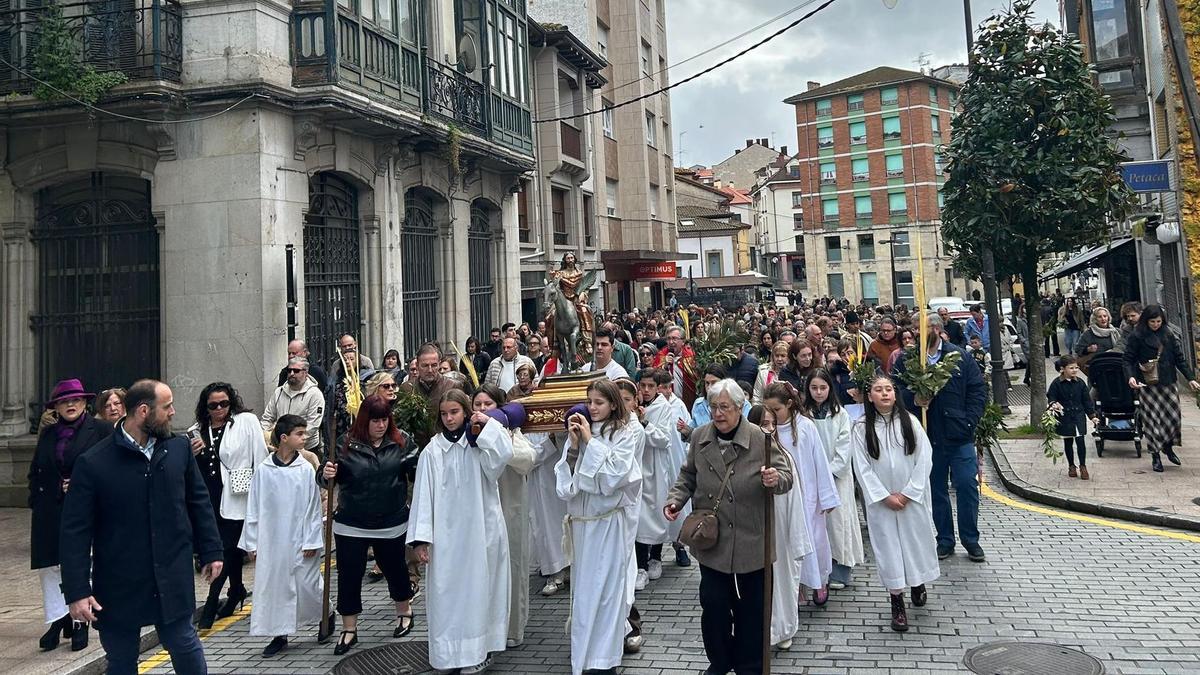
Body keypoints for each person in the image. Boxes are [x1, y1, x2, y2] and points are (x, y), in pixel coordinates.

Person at [60, 379, 223, 674]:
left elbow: (198, 502)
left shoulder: (178, 449)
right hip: (119, 584)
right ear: (144, 411)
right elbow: (75, 532)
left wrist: (212, 550)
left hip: (172, 576)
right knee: (121, 661)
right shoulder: (94, 463)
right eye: (167, 406)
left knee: (186, 647)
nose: (173, 412)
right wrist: (77, 591)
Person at [665, 379, 792, 675]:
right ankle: (720, 661)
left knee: (752, 609)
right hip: (713, 537)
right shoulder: (700, 436)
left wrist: (775, 479)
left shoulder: (760, 438)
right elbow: (688, 475)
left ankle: (749, 665)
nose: (718, 413)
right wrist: (675, 500)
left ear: (739, 407)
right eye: (714, 407)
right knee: (714, 604)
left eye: (724, 407)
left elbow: (786, 475)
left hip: (752, 537)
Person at [409, 389, 511, 674]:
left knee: (480, 591)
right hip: (446, 539)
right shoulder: (432, 451)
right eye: (444, 414)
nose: (449, 418)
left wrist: (488, 426)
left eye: (454, 412)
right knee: (447, 595)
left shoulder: (479, 444)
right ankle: (447, 655)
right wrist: (421, 540)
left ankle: (480, 652)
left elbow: (503, 457)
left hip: (480, 531)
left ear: (466, 412)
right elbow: (422, 496)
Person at [555, 380, 643, 675]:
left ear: (614, 404)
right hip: (583, 526)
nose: (592, 408)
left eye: (599, 402)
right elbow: (567, 485)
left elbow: (614, 477)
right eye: (589, 401)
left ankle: (605, 660)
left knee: (607, 592)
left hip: (607, 524)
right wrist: (573, 448)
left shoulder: (625, 433)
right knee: (584, 594)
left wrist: (590, 442)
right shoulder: (579, 430)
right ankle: (584, 657)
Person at [320, 395, 418, 655]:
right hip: (351, 521)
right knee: (349, 575)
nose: (381, 425)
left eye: (384, 419)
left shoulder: (402, 441)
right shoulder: (345, 443)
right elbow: (325, 474)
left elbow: (419, 472)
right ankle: (349, 628)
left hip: (391, 521)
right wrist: (325, 474)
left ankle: (404, 611)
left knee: (395, 569)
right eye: (375, 420)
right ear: (365, 420)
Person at [894, 313, 987, 562]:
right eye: (914, 328)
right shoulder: (907, 360)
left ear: (935, 328)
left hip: (959, 434)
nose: (915, 333)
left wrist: (969, 421)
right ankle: (944, 539)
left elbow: (977, 390)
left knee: (967, 485)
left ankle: (971, 539)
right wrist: (913, 400)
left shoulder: (960, 356)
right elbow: (894, 390)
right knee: (936, 490)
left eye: (920, 328)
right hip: (927, 436)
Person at [851, 374, 939, 632]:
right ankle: (896, 601)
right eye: (878, 389)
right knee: (888, 547)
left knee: (914, 542)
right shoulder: (861, 428)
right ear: (870, 397)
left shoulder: (910, 422)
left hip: (911, 499)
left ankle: (917, 581)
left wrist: (909, 492)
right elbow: (862, 467)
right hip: (882, 502)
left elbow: (924, 458)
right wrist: (883, 496)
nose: (884, 393)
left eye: (888, 389)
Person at [29, 379, 112, 652]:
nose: (70, 405)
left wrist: (81, 484)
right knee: (52, 567)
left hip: (87, 508)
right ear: (56, 407)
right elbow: (36, 471)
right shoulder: (48, 434)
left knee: (80, 562)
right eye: (64, 401)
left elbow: (111, 468)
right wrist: (39, 497)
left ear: (85, 402)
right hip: (51, 511)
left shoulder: (101, 430)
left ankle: (80, 622)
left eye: (75, 400)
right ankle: (59, 617)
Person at [239, 415, 326, 656]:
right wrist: (252, 542)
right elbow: (254, 506)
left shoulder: (305, 469)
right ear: (284, 438)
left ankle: (325, 613)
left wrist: (311, 539)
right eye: (300, 434)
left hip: (300, 539)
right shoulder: (264, 470)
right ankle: (280, 634)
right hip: (272, 540)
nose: (305, 438)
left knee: (307, 585)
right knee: (276, 587)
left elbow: (313, 507)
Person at [189, 383, 269, 629]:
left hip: (238, 494)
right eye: (213, 405)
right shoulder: (196, 431)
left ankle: (212, 602)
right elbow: (192, 469)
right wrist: (191, 453)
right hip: (209, 497)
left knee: (226, 548)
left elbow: (260, 457)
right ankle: (236, 591)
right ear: (205, 407)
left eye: (224, 403)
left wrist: (261, 495)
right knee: (231, 549)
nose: (219, 409)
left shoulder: (246, 422)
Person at [763, 381, 839, 606]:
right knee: (787, 543)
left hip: (808, 495)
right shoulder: (767, 429)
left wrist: (827, 497)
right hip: (782, 496)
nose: (772, 414)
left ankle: (819, 581)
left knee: (814, 540)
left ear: (789, 404)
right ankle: (795, 586)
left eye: (776, 409)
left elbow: (820, 462)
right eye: (769, 410)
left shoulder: (805, 427)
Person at [746, 404, 812, 651]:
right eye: (764, 424)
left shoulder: (784, 457)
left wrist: (796, 537)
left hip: (780, 530)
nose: (770, 429)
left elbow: (794, 499)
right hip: (751, 529)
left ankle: (783, 628)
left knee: (781, 579)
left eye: (773, 424)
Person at [472, 385, 532, 649]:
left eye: (488, 404)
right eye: (478, 405)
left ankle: (513, 628)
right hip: (481, 513)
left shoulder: (511, 431)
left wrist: (497, 434)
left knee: (514, 568)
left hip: (510, 508)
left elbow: (528, 459)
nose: (482, 410)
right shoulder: (470, 432)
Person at [1122, 304, 1200, 473]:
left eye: (1158, 321)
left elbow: (1179, 358)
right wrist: (1131, 377)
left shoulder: (1168, 334)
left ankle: (1168, 446)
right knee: (1151, 420)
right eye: (1152, 321)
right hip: (1147, 383)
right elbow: (1127, 359)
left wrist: (1191, 378)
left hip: (1168, 380)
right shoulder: (1137, 336)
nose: (1156, 324)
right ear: (1146, 321)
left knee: (1172, 417)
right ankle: (1155, 455)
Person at [805, 369, 863, 590]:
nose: (819, 392)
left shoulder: (841, 415)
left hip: (836, 478)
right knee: (816, 525)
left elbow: (844, 448)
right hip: (811, 479)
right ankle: (817, 570)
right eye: (814, 388)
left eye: (823, 387)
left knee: (839, 523)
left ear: (830, 388)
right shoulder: (804, 415)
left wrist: (826, 473)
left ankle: (840, 569)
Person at [633, 368, 685, 588]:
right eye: (643, 385)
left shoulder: (663, 407)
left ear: (658, 388)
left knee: (655, 513)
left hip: (655, 467)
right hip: (637, 466)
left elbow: (664, 439)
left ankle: (655, 557)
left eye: (651, 386)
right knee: (638, 518)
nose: (646, 390)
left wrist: (645, 423)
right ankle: (640, 566)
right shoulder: (632, 405)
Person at [399, 343, 467, 446]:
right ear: (417, 366)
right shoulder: (406, 388)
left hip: (447, 446)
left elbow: (463, 419)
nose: (430, 370)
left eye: (434, 365)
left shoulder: (452, 386)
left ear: (439, 364)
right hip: (415, 448)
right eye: (425, 366)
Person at [261, 357, 325, 457]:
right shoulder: (279, 392)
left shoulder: (315, 394)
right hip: (280, 448)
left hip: (306, 449)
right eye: (289, 370)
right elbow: (267, 417)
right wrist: (265, 436)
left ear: (305, 372)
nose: (291, 373)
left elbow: (312, 425)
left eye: (296, 371)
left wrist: (292, 442)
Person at [1048, 357, 1097, 480]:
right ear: (1062, 369)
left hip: (1078, 416)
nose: (1075, 370)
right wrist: (1054, 404)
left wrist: (1092, 416)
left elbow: (1087, 401)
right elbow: (1051, 397)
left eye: (1076, 367)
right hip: (1065, 417)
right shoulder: (1056, 383)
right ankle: (1071, 465)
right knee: (1068, 441)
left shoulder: (1080, 383)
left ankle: (1083, 466)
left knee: (1080, 441)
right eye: (1071, 368)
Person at [653, 326, 700, 408]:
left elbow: (697, 378)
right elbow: (653, 376)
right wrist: (664, 366)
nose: (671, 342)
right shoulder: (661, 355)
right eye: (668, 339)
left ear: (683, 341)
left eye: (674, 338)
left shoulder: (691, 356)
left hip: (688, 400)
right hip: (666, 403)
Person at [1074, 307, 1120, 371]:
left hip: (1115, 365)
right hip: (1097, 368)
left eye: (1105, 316)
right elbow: (1078, 349)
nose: (1103, 319)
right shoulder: (1089, 333)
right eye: (1099, 317)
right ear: (1095, 319)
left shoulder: (1116, 331)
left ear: (1108, 317)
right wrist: (1088, 349)